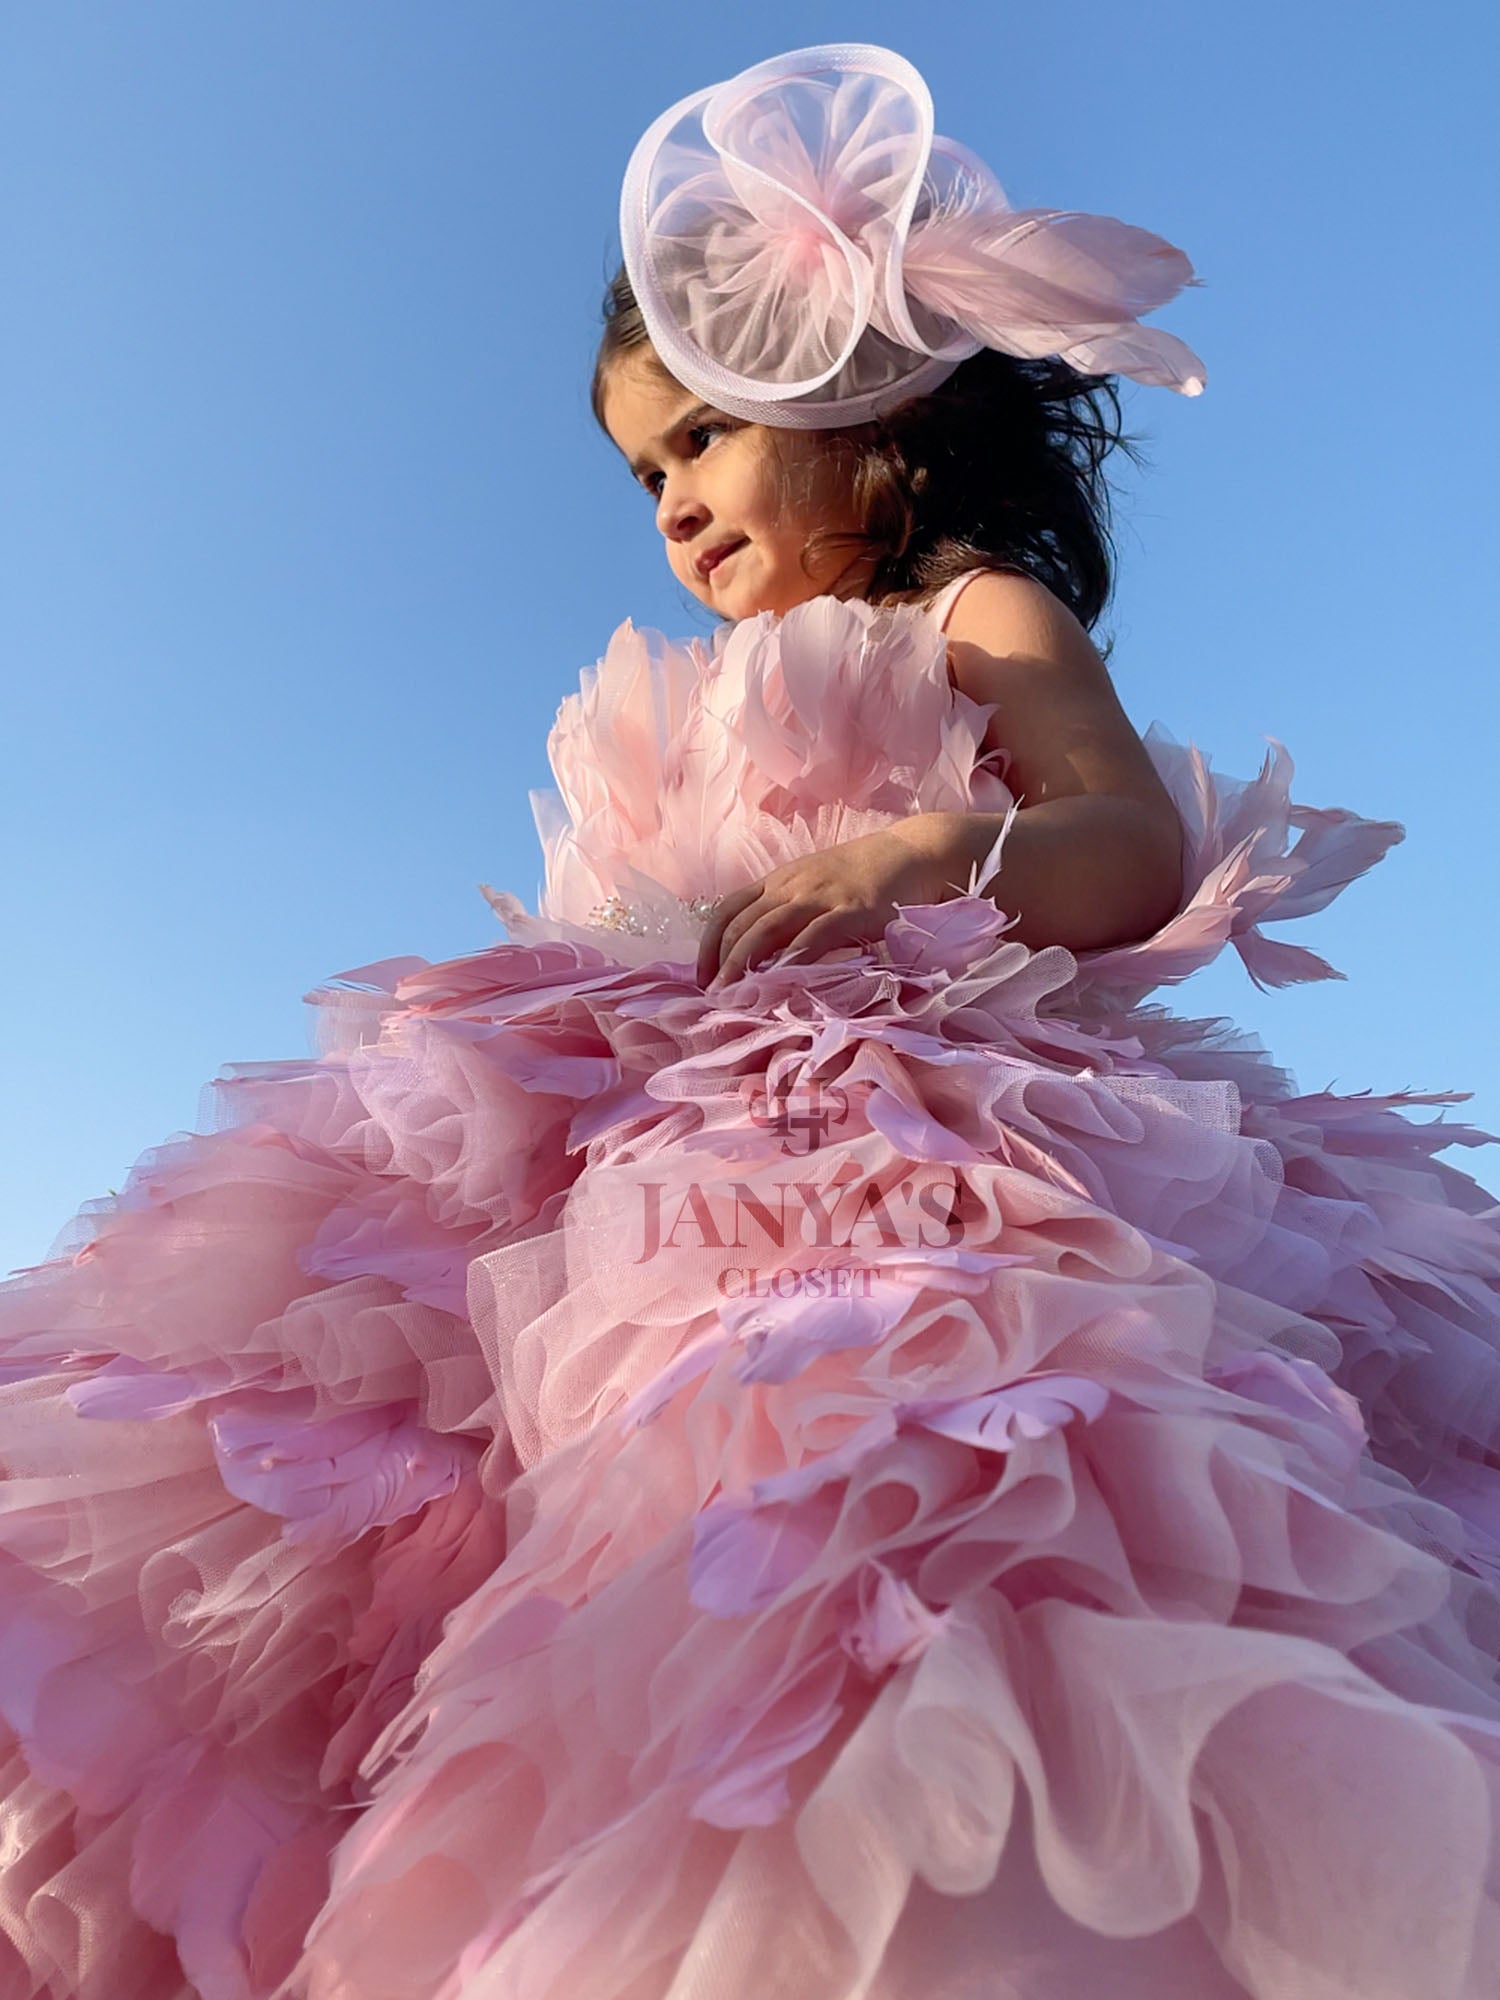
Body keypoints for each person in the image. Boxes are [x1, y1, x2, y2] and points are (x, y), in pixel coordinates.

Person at [2, 40, 1498, 2000]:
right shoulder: (685, 686)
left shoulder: (974, 618)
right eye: (644, 473)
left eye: (702, 438)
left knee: (878, 1479)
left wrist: (921, 861)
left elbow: (1126, 846)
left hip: (915, 1118)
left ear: (859, 402)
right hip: (626, 1138)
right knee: (430, 1488)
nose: (672, 504)